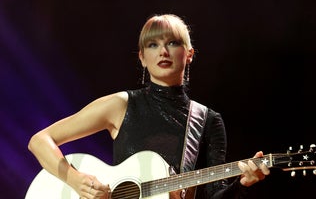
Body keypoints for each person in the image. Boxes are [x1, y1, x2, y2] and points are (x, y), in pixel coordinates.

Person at [28, 13, 270, 199]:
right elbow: (40, 140)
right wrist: (76, 180)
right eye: (153, 45)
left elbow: (212, 194)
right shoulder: (121, 105)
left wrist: (242, 184)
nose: (163, 51)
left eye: (173, 43)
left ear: (189, 54)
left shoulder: (207, 120)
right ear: (142, 57)